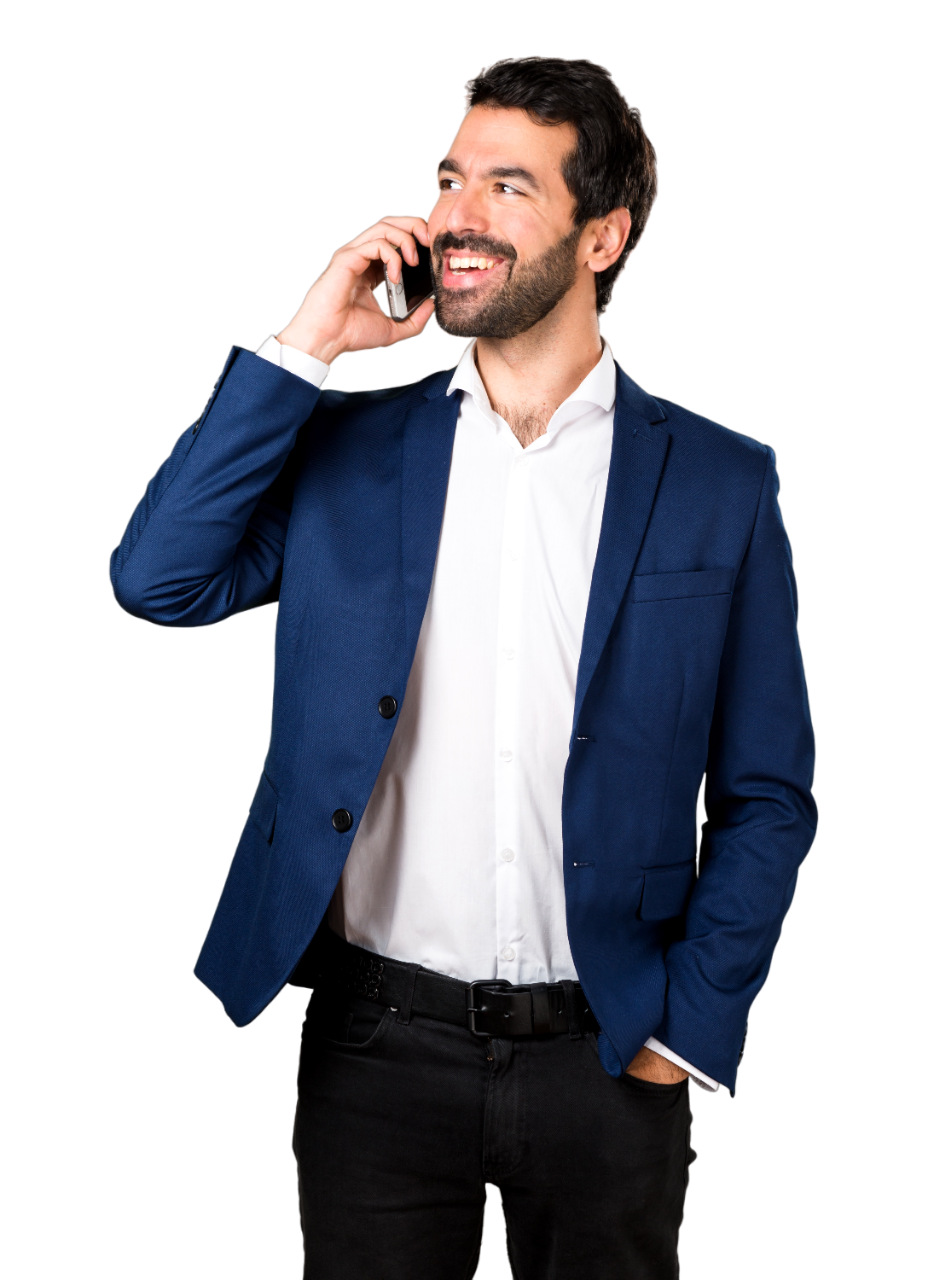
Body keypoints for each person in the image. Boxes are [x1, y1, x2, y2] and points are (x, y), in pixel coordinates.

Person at [110, 55, 817, 1280]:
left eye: (505, 185)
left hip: (613, 1050)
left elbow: (767, 788)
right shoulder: (346, 445)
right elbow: (156, 578)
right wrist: (309, 341)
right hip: (374, 1046)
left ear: (603, 236)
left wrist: (687, 1030)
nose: (454, 217)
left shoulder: (719, 478)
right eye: (447, 181)